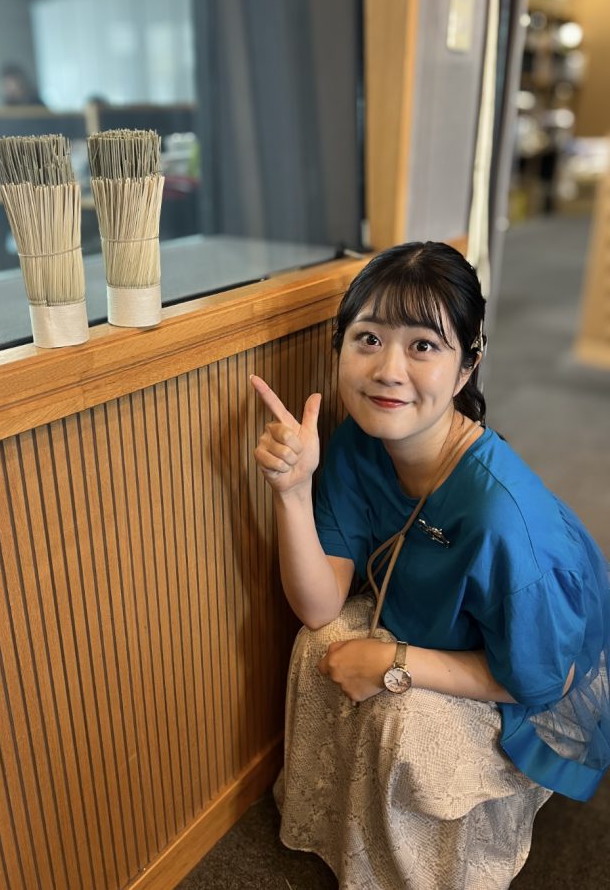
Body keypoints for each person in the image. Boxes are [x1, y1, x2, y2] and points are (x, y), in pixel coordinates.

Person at [251, 241, 610, 890]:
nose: (388, 370)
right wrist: (293, 493)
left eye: (423, 345)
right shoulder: (358, 444)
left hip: (527, 673)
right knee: (319, 646)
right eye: (368, 339)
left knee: (403, 717)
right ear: (340, 348)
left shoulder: (506, 522)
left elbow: (543, 679)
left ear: (467, 366)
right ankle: (338, 833)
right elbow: (319, 606)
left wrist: (395, 663)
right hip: (434, 618)